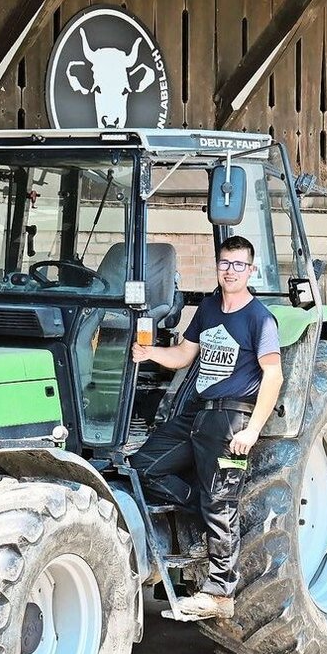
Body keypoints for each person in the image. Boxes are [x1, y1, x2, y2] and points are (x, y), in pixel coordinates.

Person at [130, 235, 283, 620]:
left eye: (238, 265)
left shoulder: (260, 318)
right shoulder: (210, 309)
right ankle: (202, 514)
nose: (230, 271)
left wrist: (252, 430)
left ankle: (219, 594)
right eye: (224, 263)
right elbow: (185, 354)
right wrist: (150, 353)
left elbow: (274, 376)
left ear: (250, 270)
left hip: (232, 416)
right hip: (197, 410)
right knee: (143, 467)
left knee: (220, 502)